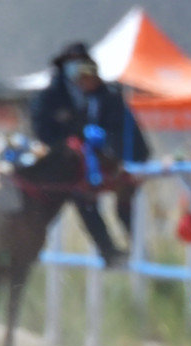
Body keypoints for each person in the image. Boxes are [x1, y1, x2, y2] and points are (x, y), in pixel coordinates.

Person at [29, 42, 151, 266]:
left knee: (122, 202)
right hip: (77, 167)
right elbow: (46, 129)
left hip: (113, 163)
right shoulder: (58, 97)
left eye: (84, 68)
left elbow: (123, 133)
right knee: (81, 200)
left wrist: (120, 158)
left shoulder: (108, 97)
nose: (80, 77)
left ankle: (138, 252)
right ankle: (110, 251)